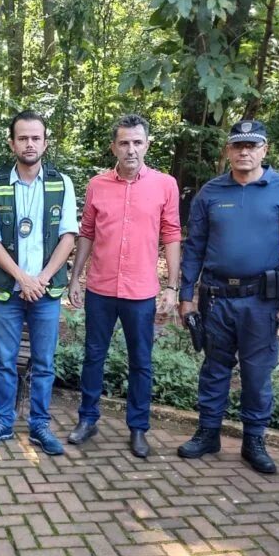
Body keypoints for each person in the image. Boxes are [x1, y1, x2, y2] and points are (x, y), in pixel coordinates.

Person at [177, 120, 279, 474]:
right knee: (214, 368)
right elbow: (194, 248)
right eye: (238, 146)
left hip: (260, 301)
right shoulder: (211, 192)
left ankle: (254, 440)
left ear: (264, 149)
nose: (245, 151)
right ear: (228, 151)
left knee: (257, 372)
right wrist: (186, 295)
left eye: (252, 145)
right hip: (216, 298)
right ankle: (208, 433)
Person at [68, 114, 181, 456]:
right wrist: (76, 277)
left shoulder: (165, 185)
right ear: (113, 147)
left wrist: (172, 287)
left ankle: (138, 428)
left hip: (141, 292)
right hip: (101, 288)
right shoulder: (96, 185)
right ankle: (87, 419)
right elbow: (87, 232)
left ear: (147, 144)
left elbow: (172, 235)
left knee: (141, 361)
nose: (130, 149)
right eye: (124, 143)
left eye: (137, 142)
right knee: (93, 357)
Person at [0, 110, 78, 455]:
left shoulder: (61, 183)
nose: (29, 144)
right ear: (12, 143)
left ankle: (39, 427)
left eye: (36, 137)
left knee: (44, 363)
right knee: (5, 361)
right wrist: (22, 278)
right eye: (23, 138)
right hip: (8, 291)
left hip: (47, 292)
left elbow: (68, 236)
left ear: (45, 142)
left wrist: (43, 278)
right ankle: (3, 423)